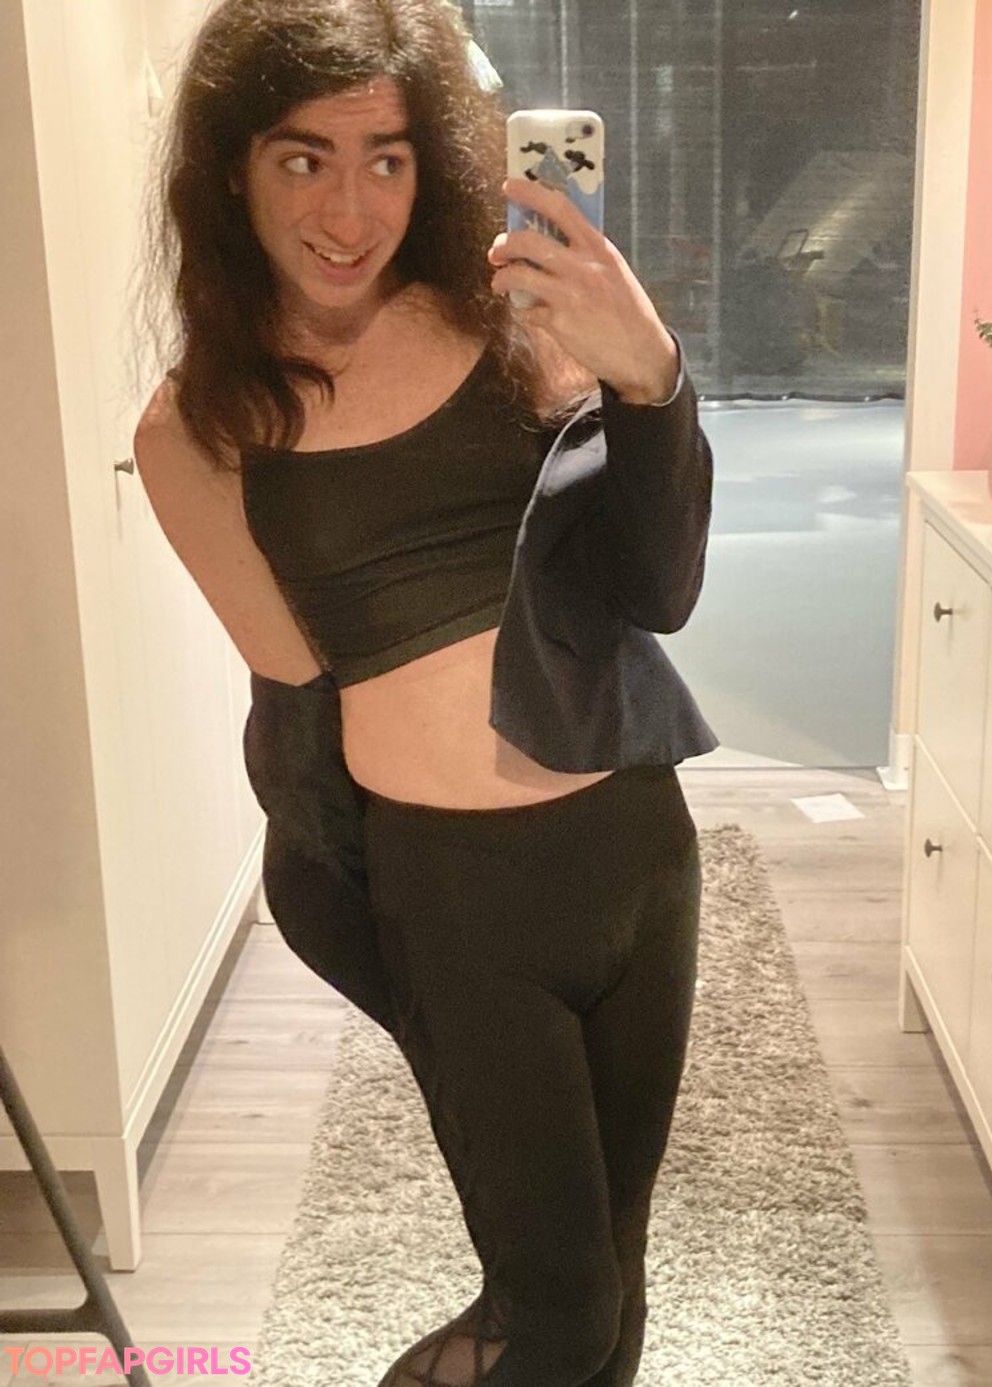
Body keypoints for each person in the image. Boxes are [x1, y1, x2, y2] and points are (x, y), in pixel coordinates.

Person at [134, 2, 717, 1383]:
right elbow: (298, 715)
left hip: (638, 845)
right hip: (457, 897)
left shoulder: (510, 317)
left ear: (431, 162)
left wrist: (651, 379)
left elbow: (658, 590)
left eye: (386, 159)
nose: (350, 211)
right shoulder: (201, 428)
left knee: (613, 1273)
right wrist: (377, 938)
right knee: (556, 1309)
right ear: (231, 169)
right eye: (304, 158)